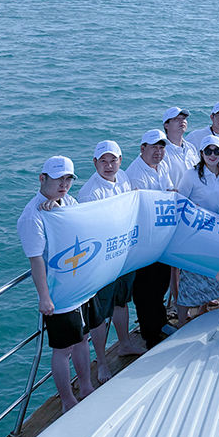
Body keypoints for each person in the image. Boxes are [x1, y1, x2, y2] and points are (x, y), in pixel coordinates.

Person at [17, 156, 101, 413]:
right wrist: (44, 297)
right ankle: (67, 400)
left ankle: (86, 386)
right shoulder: (32, 217)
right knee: (63, 349)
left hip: (79, 286)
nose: (64, 184)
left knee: (83, 338)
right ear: (42, 179)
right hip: (59, 292)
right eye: (58, 179)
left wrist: (59, 211)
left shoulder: (69, 202)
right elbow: (36, 261)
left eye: (68, 179)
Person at [78, 141, 144, 382]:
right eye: (103, 161)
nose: (108, 165)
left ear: (120, 160)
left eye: (113, 160)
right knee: (99, 313)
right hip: (103, 261)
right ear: (94, 162)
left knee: (121, 302)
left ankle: (124, 344)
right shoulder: (90, 193)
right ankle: (102, 361)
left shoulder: (123, 177)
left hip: (124, 253)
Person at [176, 134, 219, 325]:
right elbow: (180, 201)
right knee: (190, 277)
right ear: (201, 153)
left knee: (210, 271)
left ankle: (203, 308)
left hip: (216, 233)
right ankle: (182, 319)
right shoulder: (191, 175)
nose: (212, 155)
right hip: (194, 233)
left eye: (217, 151)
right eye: (208, 151)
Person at [125, 129, 176, 349]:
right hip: (143, 241)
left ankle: (160, 322)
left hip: (161, 237)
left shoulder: (162, 166)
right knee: (145, 289)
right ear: (142, 148)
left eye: (161, 147)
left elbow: (169, 190)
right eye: (153, 147)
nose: (158, 151)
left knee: (161, 283)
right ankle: (150, 334)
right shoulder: (135, 173)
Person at [161, 106, 198, 188]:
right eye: (176, 119)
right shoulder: (162, 151)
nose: (182, 121)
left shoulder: (191, 148)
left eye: (184, 118)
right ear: (166, 125)